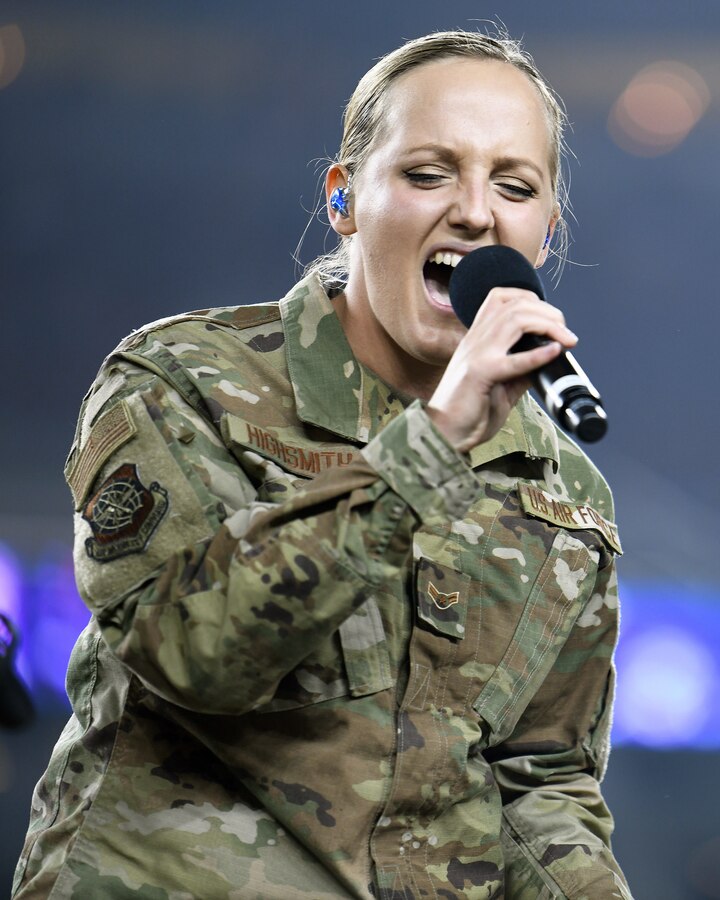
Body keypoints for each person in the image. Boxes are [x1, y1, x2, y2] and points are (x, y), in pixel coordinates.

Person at [13, 28, 632, 900]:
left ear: (544, 229)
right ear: (344, 198)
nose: (475, 212)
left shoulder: (561, 490)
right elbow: (191, 651)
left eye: (514, 186)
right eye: (428, 173)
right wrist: (431, 445)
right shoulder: (184, 380)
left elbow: (542, 786)